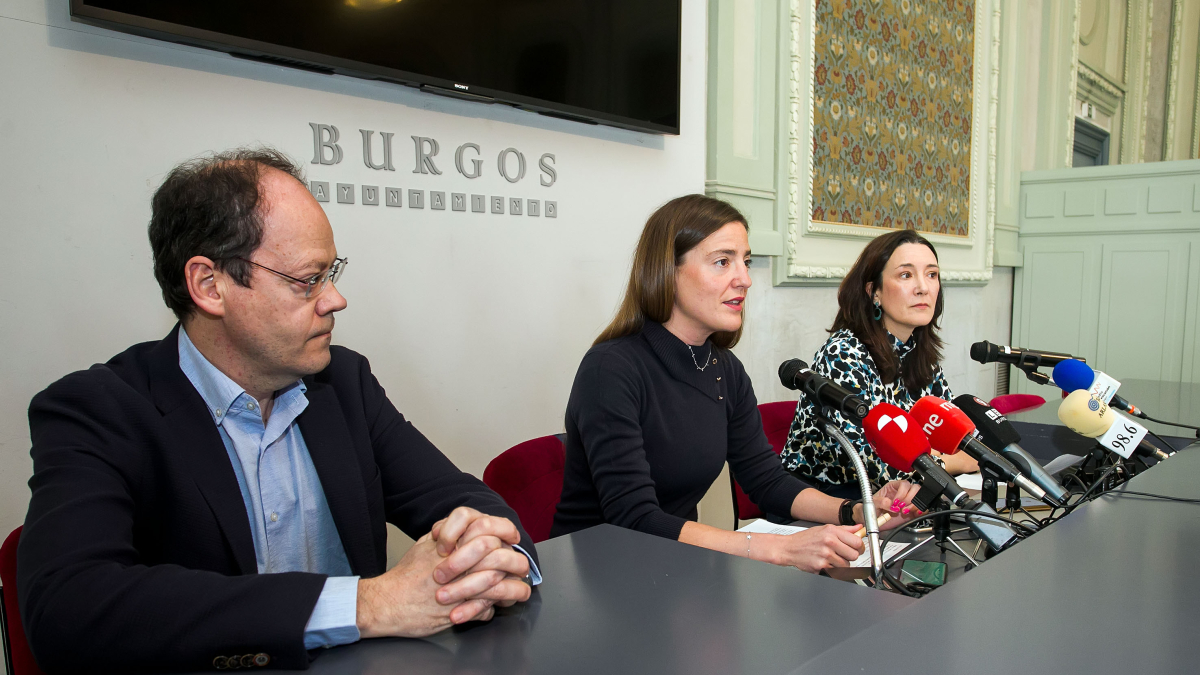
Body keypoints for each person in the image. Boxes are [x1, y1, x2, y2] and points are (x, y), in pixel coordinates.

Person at [19, 148, 539, 674]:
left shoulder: (345, 384)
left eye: (331, 273)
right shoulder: (97, 410)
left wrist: (486, 551)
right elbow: (67, 609)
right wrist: (370, 605)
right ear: (209, 285)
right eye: (306, 279)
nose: (335, 300)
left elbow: (464, 499)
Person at [550, 195, 921, 573]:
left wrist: (856, 509)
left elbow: (765, 479)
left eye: (746, 262)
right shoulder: (611, 369)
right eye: (722, 262)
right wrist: (778, 549)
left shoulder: (723, 368)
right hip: (597, 575)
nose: (743, 279)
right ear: (666, 271)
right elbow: (634, 517)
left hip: (671, 570)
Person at [779, 229, 979, 499]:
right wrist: (954, 462)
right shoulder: (843, 354)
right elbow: (880, 469)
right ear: (874, 292)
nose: (923, 287)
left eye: (932, 274)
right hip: (830, 505)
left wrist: (946, 456)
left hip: (901, 500)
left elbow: (957, 437)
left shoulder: (919, 352)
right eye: (906, 275)